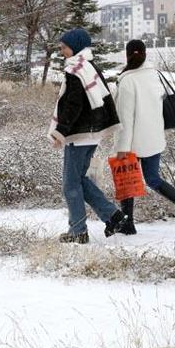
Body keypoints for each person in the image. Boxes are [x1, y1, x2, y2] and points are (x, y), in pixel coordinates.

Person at [49, 28, 128, 244]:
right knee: (79, 179)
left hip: (80, 135)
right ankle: (113, 216)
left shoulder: (76, 70)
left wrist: (61, 132)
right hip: (92, 134)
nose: (61, 50)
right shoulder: (89, 66)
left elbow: (74, 105)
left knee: (70, 184)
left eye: (64, 47)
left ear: (75, 46)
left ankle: (78, 231)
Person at [113, 39, 175, 234]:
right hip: (154, 137)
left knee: (127, 179)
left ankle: (128, 224)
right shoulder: (155, 75)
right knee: (152, 179)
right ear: (145, 54)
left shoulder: (127, 80)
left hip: (133, 140)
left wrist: (122, 148)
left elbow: (126, 119)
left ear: (126, 55)